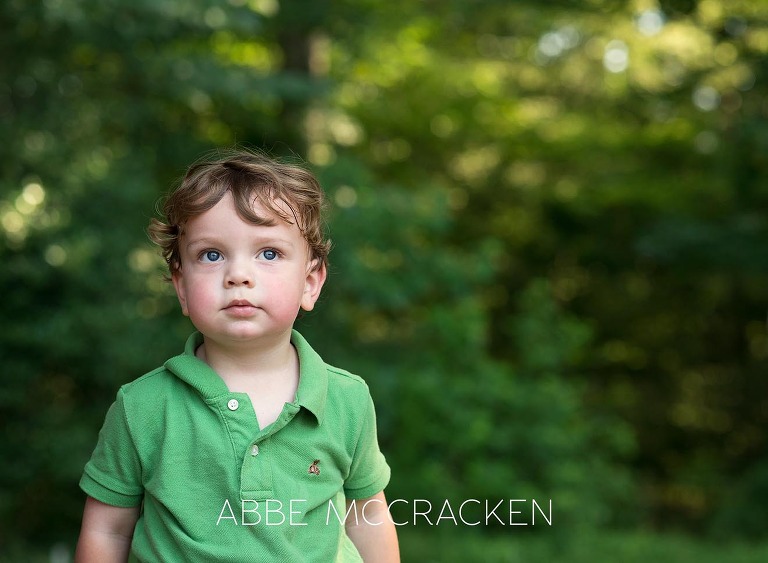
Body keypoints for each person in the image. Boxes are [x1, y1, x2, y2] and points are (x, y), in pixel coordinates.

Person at [75, 149, 400, 562]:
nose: (238, 275)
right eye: (212, 255)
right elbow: (106, 531)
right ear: (181, 287)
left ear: (311, 282)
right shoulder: (142, 407)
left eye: (269, 253)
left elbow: (367, 517)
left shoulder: (346, 399)